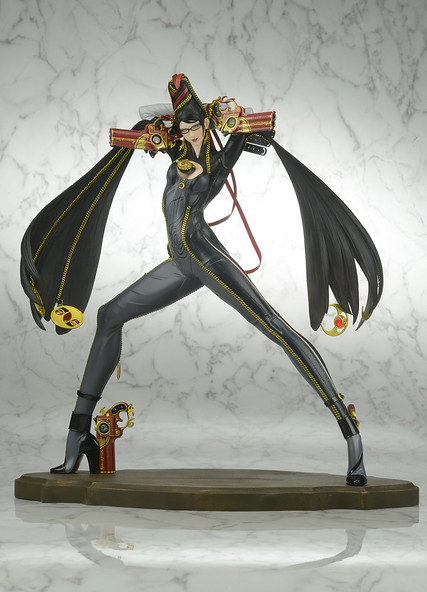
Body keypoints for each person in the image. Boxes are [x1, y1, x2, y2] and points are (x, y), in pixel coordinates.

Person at [20, 74, 383, 485]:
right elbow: (144, 119)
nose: (190, 132)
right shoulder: (175, 149)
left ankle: (350, 435)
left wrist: (231, 118)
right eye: (184, 126)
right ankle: (78, 435)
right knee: (109, 315)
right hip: (179, 264)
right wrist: (173, 118)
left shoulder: (221, 158)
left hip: (207, 257)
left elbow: (251, 126)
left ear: (207, 125)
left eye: (195, 126)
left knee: (274, 326)